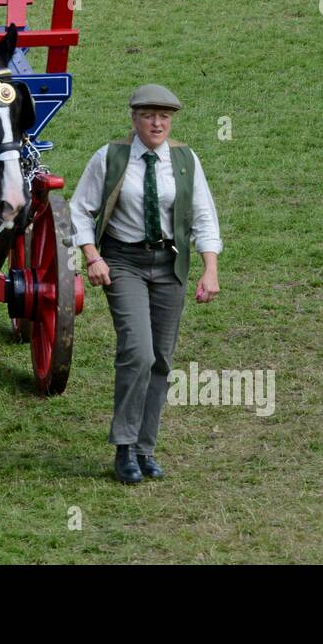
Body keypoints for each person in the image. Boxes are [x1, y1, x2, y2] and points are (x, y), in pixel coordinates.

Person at [69, 84, 223, 485]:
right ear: (134, 118)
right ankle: (124, 447)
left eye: (164, 117)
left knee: (161, 358)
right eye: (149, 116)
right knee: (137, 351)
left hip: (170, 265)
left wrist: (210, 269)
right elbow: (79, 211)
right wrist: (93, 257)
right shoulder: (111, 157)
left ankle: (145, 448)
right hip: (124, 262)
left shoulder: (186, 160)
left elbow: (204, 216)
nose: (157, 123)